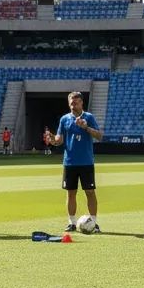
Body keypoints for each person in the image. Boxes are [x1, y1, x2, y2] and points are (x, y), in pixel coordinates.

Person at [47, 91, 103, 232]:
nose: (73, 105)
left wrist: (86, 127)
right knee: (70, 193)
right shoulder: (64, 119)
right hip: (70, 162)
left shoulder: (89, 117)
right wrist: (53, 140)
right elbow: (59, 140)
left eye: (76, 102)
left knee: (90, 192)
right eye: (71, 102)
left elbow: (99, 136)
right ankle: (72, 222)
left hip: (86, 161)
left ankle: (94, 222)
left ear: (81, 103)